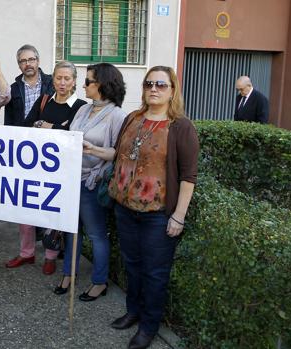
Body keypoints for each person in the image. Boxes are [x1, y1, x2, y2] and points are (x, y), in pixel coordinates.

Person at [108, 66, 199, 349]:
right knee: (132, 266)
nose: (154, 88)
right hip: (125, 209)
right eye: (149, 83)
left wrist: (179, 217)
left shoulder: (180, 127)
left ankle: (149, 327)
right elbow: (120, 154)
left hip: (157, 216)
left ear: (172, 89)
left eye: (161, 84)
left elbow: (188, 176)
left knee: (155, 273)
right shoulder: (133, 118)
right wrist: (91, 149)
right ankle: (133, 312)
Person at [5, 60, 87, 275]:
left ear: (74, 81)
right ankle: (26, 253)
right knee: (25, 214)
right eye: (58, 78)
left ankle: (50, 255)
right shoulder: (43, 101)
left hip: (60, 173)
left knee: (52, 215)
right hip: (34, 169)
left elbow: (74, 134)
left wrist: (48, 126)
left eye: (66, 78)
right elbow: (27, 125)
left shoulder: (81, 107)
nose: (62, 82)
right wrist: (55, 127)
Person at [54, 63, 127, 300]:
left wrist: (93, 149)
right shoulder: (83, 110)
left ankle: (99, 282)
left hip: (92, 183)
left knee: (96, 235)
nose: (82, 85)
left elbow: (118, 153)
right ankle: (68, 274)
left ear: (102, 85)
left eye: (88, 81)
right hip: (71, 180)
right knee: (70, 231)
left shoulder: (117, 115)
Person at [4, 44, 54, 127]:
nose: (27, 64)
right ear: (19, 65)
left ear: (38, 61)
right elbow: (9, 120)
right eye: (23, 61)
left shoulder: (52, 83)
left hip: (47, 134)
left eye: (31, 59)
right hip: (22, 136)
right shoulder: (13, 89)